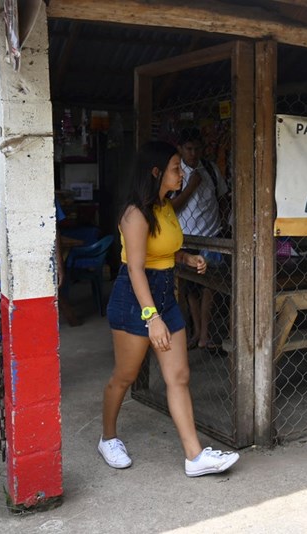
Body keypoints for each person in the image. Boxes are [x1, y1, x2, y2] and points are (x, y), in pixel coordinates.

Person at [99, 141, 239, 476]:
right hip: (136, 301)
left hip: (164, 295)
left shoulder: (164, 207)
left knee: (179, 376)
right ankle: (107, 438)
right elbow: (135, 268)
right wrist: (152, 318)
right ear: (156, 172)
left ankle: (195, 457)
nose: (182, 173)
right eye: (177, 167)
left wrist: (186, 257)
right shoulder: (135, 213)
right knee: (125, 376)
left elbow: (163, 251)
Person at [0, 171, 66, 401]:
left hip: (33, 273)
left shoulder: (41, 190)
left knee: (32, 326)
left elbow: (53, 228)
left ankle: (29, 375)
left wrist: (58, 263)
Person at [170, 128, 229, 349]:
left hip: (211, 236)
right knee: (190, 288)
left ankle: (204, 334)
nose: (193, 153)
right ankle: (196, 332)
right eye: (188, 149)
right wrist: (191, 186)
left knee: (209, 286)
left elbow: (222, 197)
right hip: (187, 239)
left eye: (197, 149)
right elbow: (172, 208)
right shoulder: (178, 174)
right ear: (180, 149)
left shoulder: (211, 170)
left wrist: (223, 221)